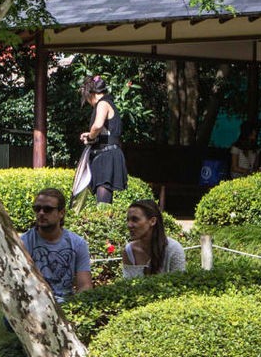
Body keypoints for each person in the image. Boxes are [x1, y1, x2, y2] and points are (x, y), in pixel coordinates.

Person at [20, 186, 93, 303]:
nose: (41, 213)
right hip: (34, 305)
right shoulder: (23, 243)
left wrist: (74, 309)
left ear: (61, 213)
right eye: (37, 209)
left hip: (67, 306)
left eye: (47, 209)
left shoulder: (78, 244)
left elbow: (85, 286)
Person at [78, 75, 127, 205]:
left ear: (90, 94)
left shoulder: (103, 103)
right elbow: (107, 132)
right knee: (104, 191)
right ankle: (105, 220)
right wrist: (91, 135)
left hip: (106, 154)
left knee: (103, 190)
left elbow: (98, 125)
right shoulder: (109, 102)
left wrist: (90, 137)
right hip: (110, 151)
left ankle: (103, 221)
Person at [119, 198, 185, 278]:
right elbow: (127, 286)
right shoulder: (129, 251)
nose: (129, 225)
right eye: (128, 220)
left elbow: (179, 283)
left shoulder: (173, 249)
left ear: (152, 221)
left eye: (135, 220)